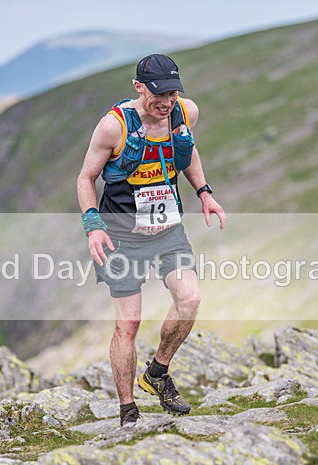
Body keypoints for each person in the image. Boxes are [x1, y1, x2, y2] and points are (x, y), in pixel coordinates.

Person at [76, 53, 225, 427]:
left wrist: (204, 192)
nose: (167, 102)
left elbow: (188, 152)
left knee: (189, 299)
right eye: (159, 94)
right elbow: (86, 178)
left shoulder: (184, 112)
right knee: (129, 324)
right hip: (121, 238)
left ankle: (157, 372)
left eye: (173, 93)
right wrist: (93, 225)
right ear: (139, 87)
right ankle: (128, 410)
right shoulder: (113, 127)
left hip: (168, 231)